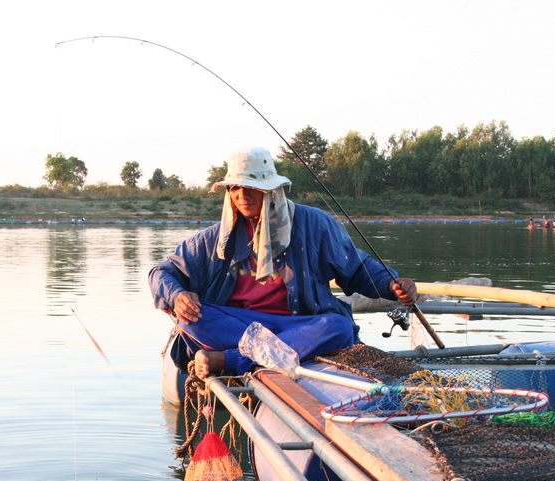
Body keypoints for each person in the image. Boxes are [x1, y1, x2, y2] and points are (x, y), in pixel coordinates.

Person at [148, 146, 418, 380]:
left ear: (272, 190)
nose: (242, 195)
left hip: (298, 324)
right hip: (240, 325)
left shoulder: (315, 224)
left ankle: (230, 360)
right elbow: (162, 272)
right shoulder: (216, 238)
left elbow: (357, 268)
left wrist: (391, 283)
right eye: (235, 188)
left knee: (338, 328)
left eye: (252, 187)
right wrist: (178, 294)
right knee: (191, 318)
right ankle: (260, 354)